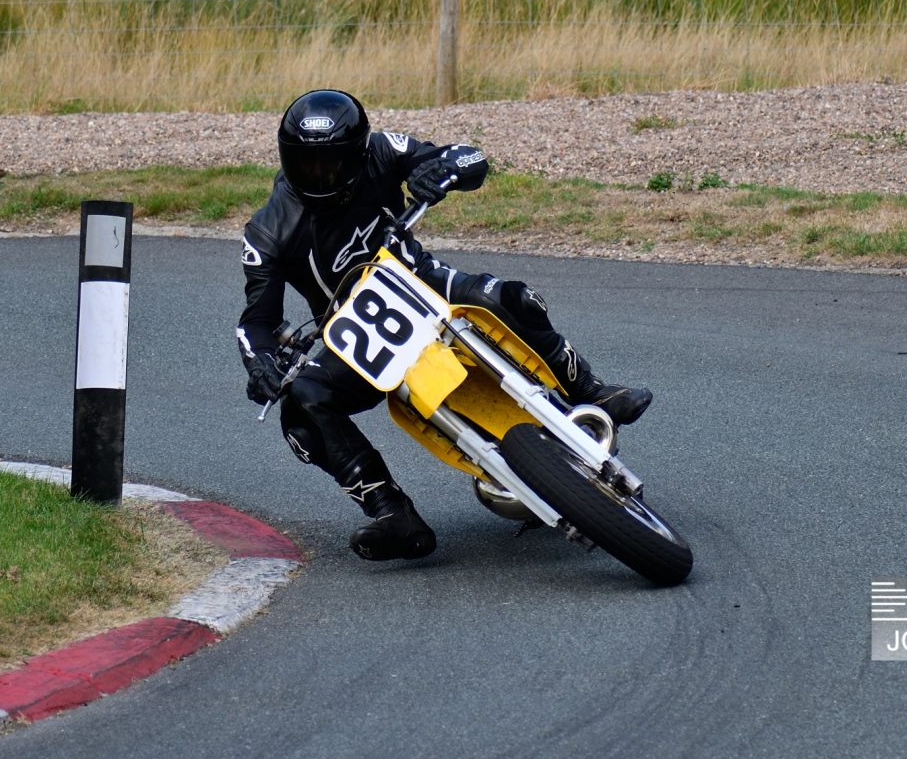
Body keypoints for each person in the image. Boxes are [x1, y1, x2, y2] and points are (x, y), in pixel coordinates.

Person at [237, 88, 653, 562]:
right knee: (301, 404)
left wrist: (443, 169)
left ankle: (591, 390)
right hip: (356, 332)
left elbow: (468, 156)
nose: (320, 176)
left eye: (331, 163)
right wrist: (261, 363)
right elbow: (256, 322)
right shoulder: (268, 230)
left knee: (509, 296)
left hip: (427, 281)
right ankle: (390, 513)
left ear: (356, 153)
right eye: (306, 164)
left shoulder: (382, 150)